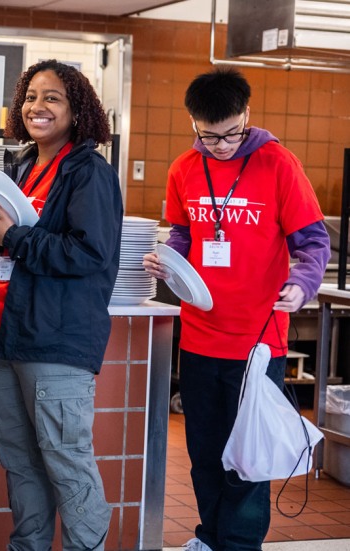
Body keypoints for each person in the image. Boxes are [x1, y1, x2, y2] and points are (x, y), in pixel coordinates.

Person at [142, 67, 330, 551]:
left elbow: (312, 242)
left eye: (231, 134)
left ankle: (240, 544)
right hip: (202, 333)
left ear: (246, 114)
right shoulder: (185, 167)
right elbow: (182, 232)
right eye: (210, 136)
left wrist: (301, 283)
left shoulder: (277, 164)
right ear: (193, 123)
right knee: (205, 451)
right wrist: (168, 262)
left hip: (259, 340)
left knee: (247, 454)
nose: (222, 145)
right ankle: (209, 537)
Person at [0, 59, 121, 550]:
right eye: (32, 96)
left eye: (53, 97)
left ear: (77, 111)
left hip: (56, 342)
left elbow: (90, 254)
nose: (38, 106)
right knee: (20, 463)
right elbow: (17, 248)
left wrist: (11, 234)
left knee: (68, 462)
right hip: (6, 335)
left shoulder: (88, 172)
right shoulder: (20, 168)